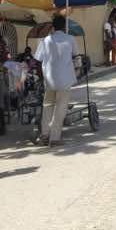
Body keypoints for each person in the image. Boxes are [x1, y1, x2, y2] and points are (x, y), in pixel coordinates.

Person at [34, 15, 76, 147]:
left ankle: (44, 136)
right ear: (64, 26)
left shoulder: (46, 40)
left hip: (49, 80)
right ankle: (55, 138)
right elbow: (76, 55)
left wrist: (41, 77)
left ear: (53, 26)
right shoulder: (70, 39)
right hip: (65, 80)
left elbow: (37, 60)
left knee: (47, 107)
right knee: (60, 109)